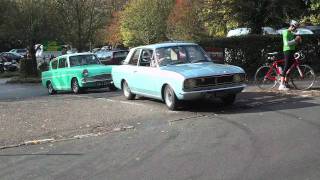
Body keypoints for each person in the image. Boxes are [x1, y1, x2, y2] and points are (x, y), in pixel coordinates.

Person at [279, 20, 302, 91]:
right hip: (287, 51)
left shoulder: (291, 33)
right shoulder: (285, 32)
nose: (295, 29)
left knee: (290, 68)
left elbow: (293, 43)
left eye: (296, 28)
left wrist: (298, 41)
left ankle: (286, 83)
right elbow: (286, 44)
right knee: (286, 67)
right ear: (291, 26)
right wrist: (295, 40)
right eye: (295, 28)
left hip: (292, 50)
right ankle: (281, 85)